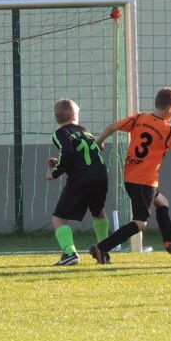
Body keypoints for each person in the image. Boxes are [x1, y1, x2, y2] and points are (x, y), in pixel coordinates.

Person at [89, 87, 171, 264]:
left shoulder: (139, 118)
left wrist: (98, 142)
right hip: (144, 182)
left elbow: (112, 126)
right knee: (141, 222)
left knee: (162, 202)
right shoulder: (169, 131)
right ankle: (101, 248)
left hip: (131, 177)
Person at [45, 99, 109, 266]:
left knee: (58, 219)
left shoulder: (60, 133)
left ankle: (69, 254)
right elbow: (95, 148)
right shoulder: (85, 132)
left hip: (81, 177)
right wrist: (59, 162)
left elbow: (68, 152)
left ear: (56, 118)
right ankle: (104, 251)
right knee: (99, 212)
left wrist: (55, 172)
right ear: (75, 115)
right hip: (101, 174)